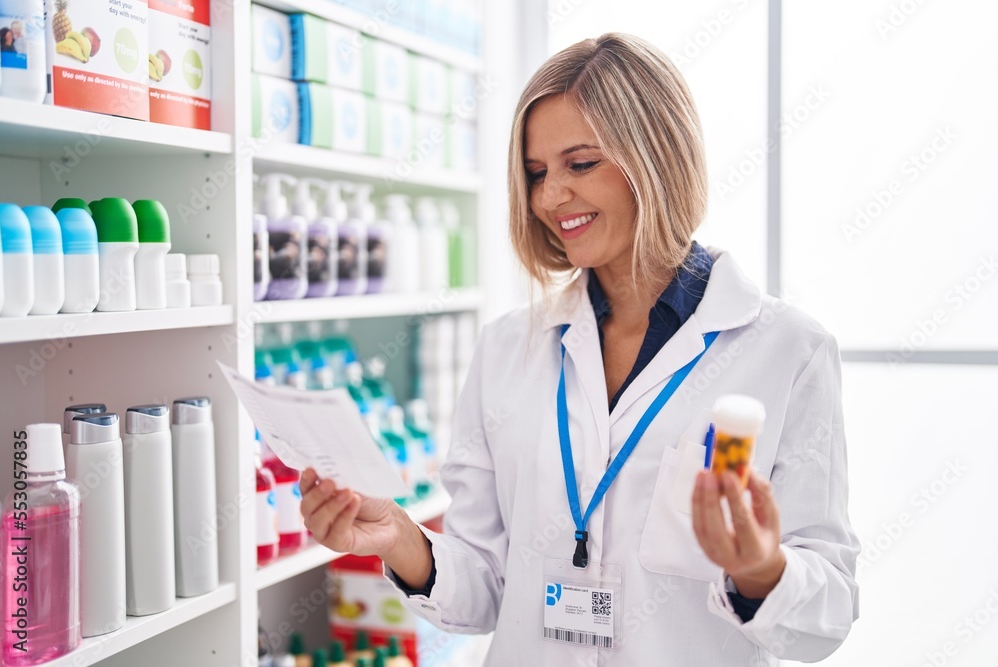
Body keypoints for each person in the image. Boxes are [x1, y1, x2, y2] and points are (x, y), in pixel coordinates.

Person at [300, 33, 859, 665]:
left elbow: (827, 615)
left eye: (580, 164)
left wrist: (762, 567)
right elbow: (484, 588)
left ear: (657, 156)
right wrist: (397, 534)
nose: (548, 197)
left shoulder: (788, 351)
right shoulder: (508, 348)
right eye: (537, 173)